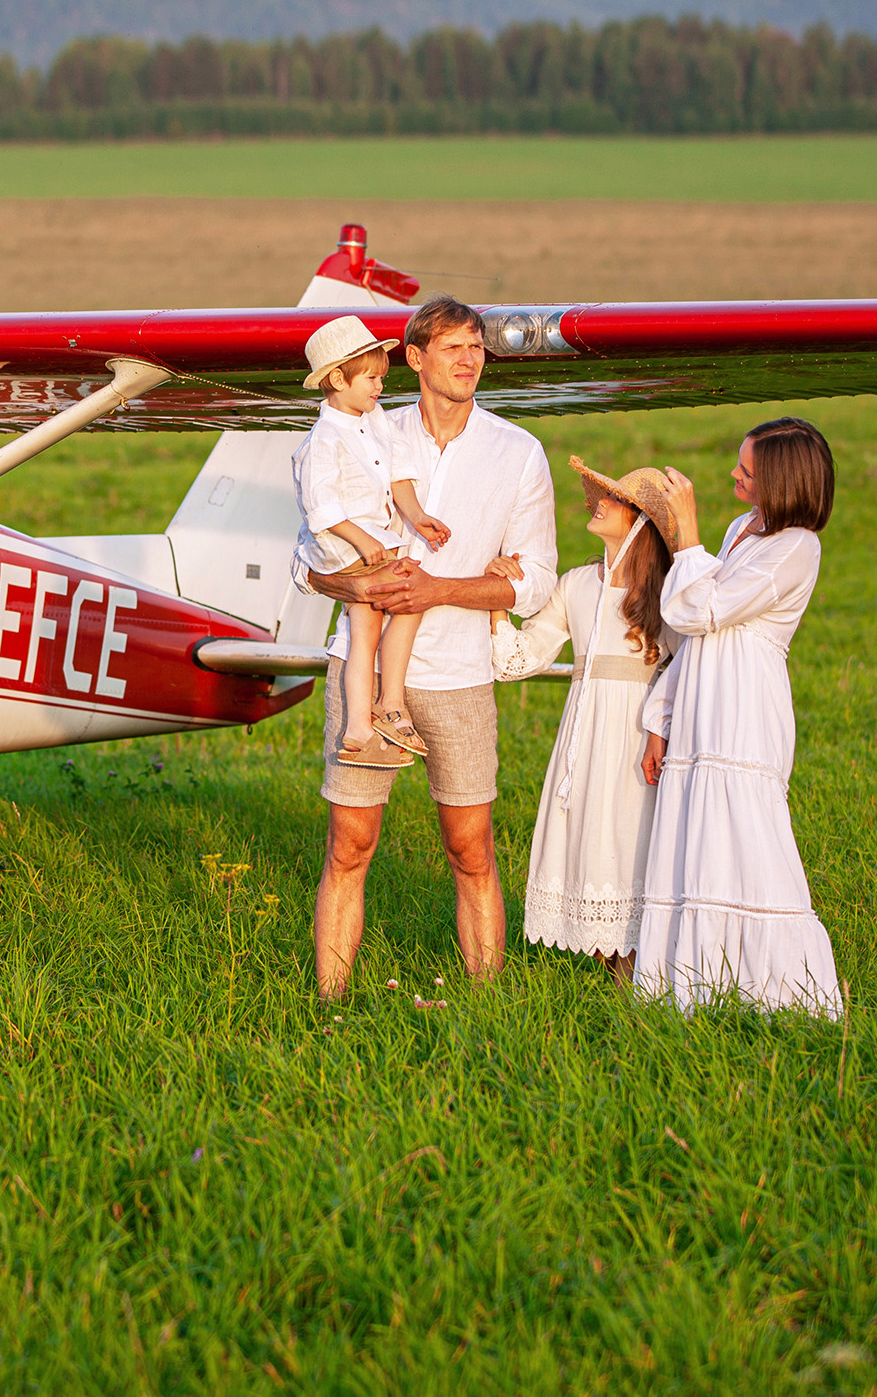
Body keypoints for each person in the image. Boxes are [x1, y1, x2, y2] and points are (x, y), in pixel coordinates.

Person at [304, 297, 557, 996]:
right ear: (414, 358)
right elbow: (306, 560)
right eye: (453, 347)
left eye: (476, 346)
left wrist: (441, 590)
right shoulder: (365, 431)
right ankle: (328, 1005)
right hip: (361, 665)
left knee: (471, 847)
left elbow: (536, 580)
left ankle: (487, 1002)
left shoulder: (518, 452)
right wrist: (355, 583)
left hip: (460, 674)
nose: (470, 359)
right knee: (349, 845)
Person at [636, 417, 846, 1018]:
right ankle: (694, 985)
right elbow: (691, 637)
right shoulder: (741, 529)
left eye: (747, 470)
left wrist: (686, 535)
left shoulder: (797, 548)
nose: (734, 474)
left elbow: (699, 609)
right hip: (701, 700)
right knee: (696, 833)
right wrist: (661, 718)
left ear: (782, 481)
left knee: (748, 833)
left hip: (745, 706)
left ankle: (784, 991)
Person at [490, 457, 679, 988]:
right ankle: (612, 972)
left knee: (631, 840)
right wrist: (497, 602)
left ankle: (643, 976)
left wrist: (662, 729)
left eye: (615, 499)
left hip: (640, 736)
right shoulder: (576, 584)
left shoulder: (665, 593)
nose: (599, 503)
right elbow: (520, 659)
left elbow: (686, 669)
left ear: (641, 522)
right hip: (586, 734)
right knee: (592, 842)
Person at [290, 315, 441, 769]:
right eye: (371, 378)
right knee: (412, 595)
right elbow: (320, 508)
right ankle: (390, 706)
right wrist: (363, 541)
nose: (380, 387)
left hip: (367, 542)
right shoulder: (324, 439)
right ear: (338, 380)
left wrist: (418, 516)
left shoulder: (372, 418)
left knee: (366, 633)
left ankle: (358, 729)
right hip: (342, 549)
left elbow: (397, 471)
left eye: (381, 378)